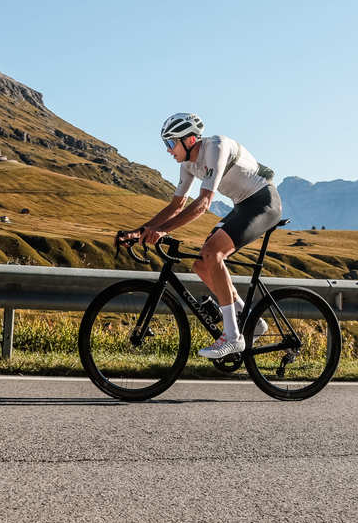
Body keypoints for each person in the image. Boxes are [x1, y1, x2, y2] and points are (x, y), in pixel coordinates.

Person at [115, 112, 282, 358]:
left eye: (171, 143)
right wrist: (141, 231)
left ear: (189, 140)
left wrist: (162, 231)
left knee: (214, 254)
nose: (168, 150)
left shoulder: (216, 147)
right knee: (202, 265)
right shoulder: (187, 165)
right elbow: (176, 206)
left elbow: (204, 204)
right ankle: (252, 322)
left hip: (263, 203)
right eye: (166, 144)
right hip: (242, 207)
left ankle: (233, 336)